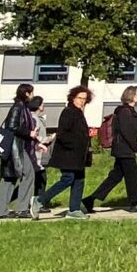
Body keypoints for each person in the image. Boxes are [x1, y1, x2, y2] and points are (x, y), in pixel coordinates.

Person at [85, 85, 137, 211]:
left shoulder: (127, 111)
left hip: (123, 149)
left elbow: (129, 132)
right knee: (133, 176)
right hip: (124, 150)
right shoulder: (125, 112)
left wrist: (135, 142)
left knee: (115, 177)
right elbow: (126, 132)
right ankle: (134, 203)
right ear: (131, 96)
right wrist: (135, 146)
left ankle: (90, 200)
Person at [0, 81, 45, 219]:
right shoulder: (19, 107)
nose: (33, 95)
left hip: (17, 147)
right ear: (27, 93)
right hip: (16, 148)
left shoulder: (22, 107)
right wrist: (29, 133)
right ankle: (21, 208)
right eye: (31, 92)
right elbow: (12, 126)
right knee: (28, 174)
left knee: (9, 178)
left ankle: (0, 210)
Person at [45, 85, 96, 213]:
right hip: (68, 154)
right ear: (73, 98)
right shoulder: (69, 112)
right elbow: (63, 134)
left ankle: (74, 209)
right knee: (68, 179)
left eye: (84, 99)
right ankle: (41, 200)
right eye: (79, 98)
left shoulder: (79, 113)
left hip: (78, 156)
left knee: (79, 180)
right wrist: (75, 145)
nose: (82, 101)